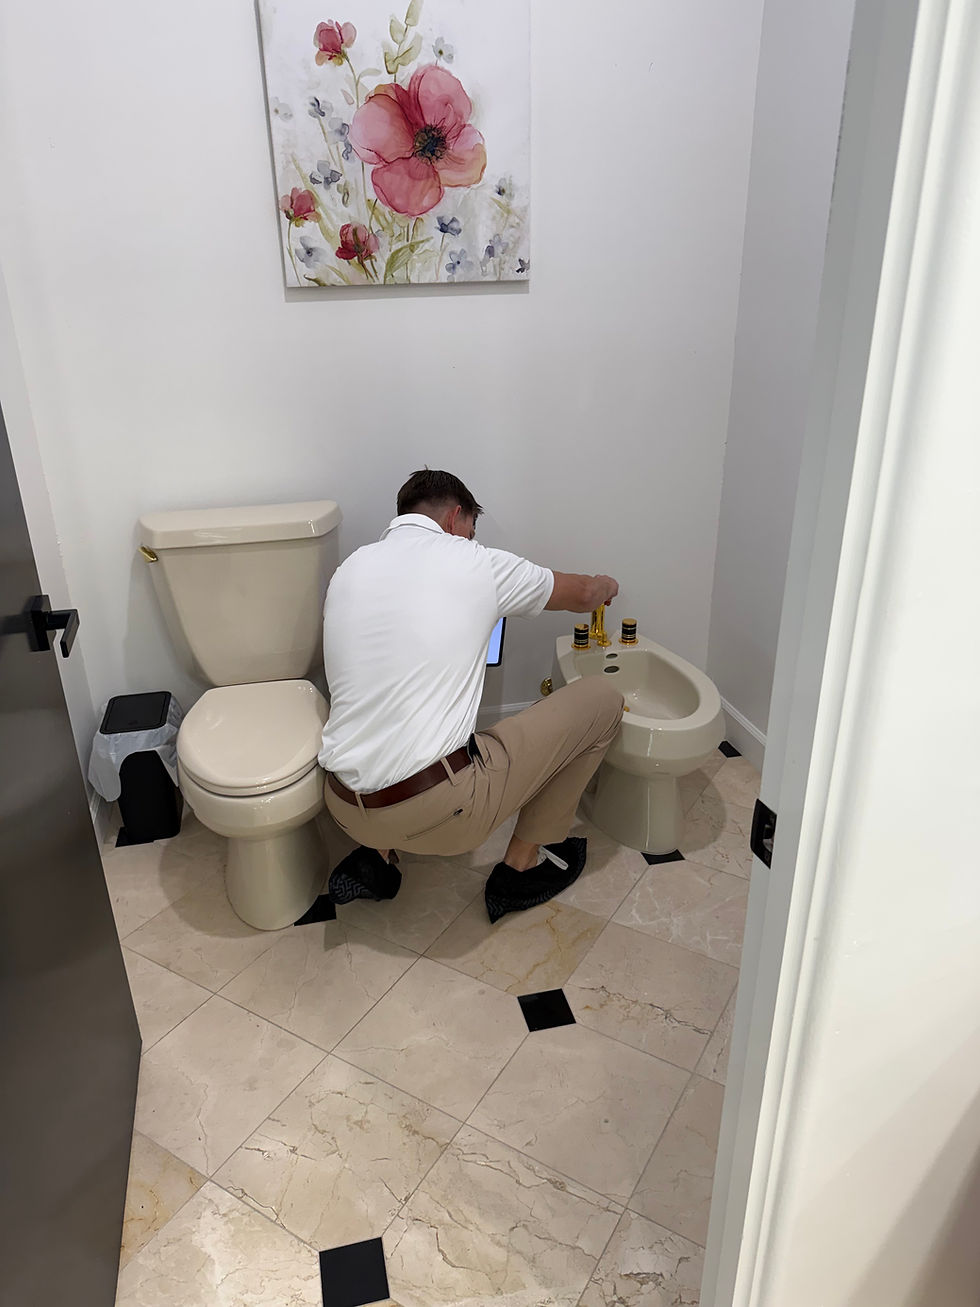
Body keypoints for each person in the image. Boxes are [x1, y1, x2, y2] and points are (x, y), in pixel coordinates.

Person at [318, 470, 624, 922]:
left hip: (342, 807)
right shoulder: (474, 562)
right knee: (603, 700)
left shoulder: (350, 568)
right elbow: (581, 595)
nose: (471, 540)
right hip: (438, 816)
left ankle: (375, 858)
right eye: (471, 531)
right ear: (455, 517)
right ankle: (520, 868)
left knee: (395, 721)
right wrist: (607, 585)